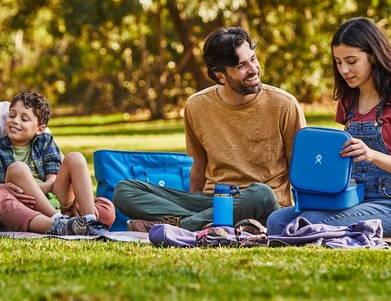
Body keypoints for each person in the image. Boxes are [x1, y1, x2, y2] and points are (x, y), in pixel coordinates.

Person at [113, 26, 307, 232]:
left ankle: (184, 226)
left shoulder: (284, 104)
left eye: (253, 58)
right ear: (220, 76)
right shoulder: (196, 105)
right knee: (125, 190)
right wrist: (194, 202)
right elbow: (198, 168)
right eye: (242, 65)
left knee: (262, 193)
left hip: (262, 205)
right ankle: (200, 222)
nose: (253, 69)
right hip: (211, 201)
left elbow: (303, 170)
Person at [266, 17, 391, 245]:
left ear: (373, 55)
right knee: (277, 222)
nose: (344, 70)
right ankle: (389, 238)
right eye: (338, 62)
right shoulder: (349, 99)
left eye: (351, 61)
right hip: (353, 199)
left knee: (309, 222)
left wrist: (371, 154)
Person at [0, 46, 114, 236]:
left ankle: (81, 222)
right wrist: (8, 187)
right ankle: (55, 224)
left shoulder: (16, 110)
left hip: (48, 196)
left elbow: (62, 162)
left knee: (105, 208)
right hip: (0, 198)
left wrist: (77, 197)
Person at [0, 91, 115, 234]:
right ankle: (59, 221)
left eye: (24, 119)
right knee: (18, 168)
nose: (15, 121)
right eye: (12, 115)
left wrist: (36, 187)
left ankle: (89, 220)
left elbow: (52, 179)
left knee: (76, 158)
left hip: (55, 198)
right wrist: (15, 187)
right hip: (23, 204)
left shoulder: (45, 142)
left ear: (40, 129)